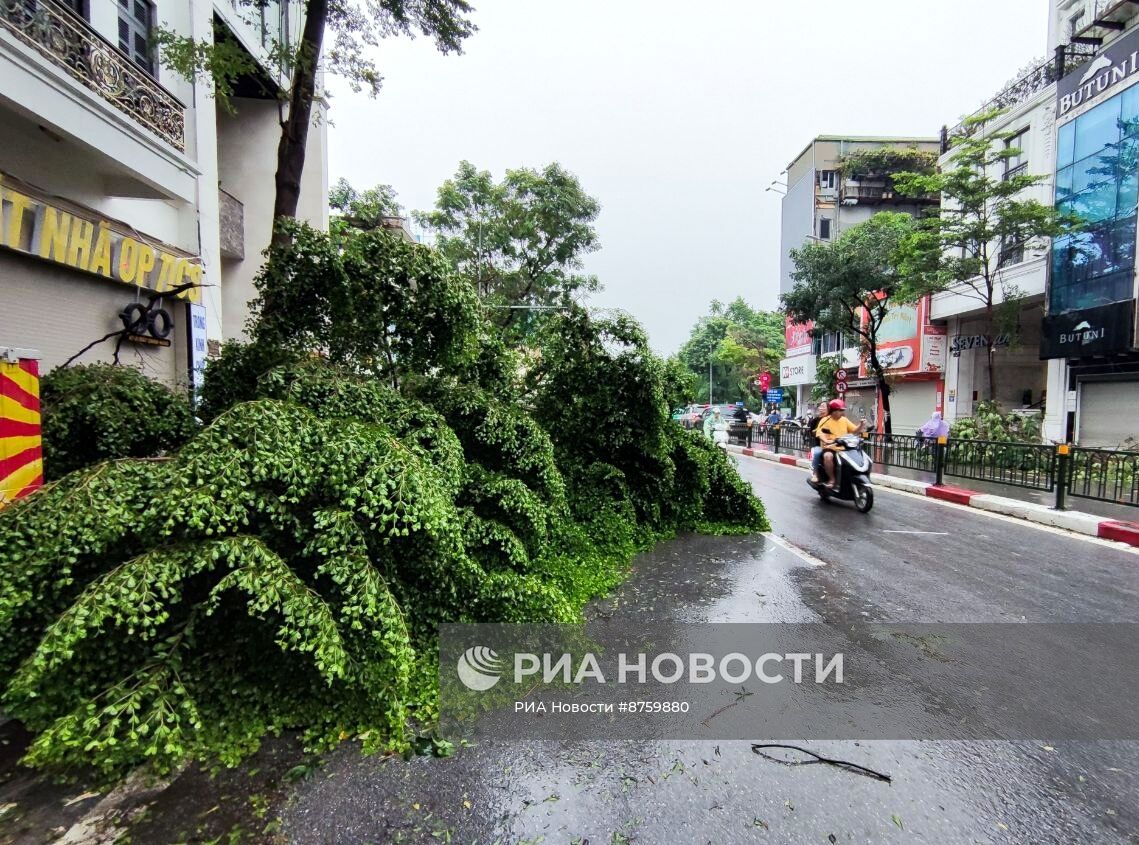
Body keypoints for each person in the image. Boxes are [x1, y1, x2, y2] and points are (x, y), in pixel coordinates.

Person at [815, 399, 868, 490]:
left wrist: (861, 425)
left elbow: (854, 431)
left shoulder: (844, 420)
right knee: (828, 456)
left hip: (844, 447)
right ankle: (832, 479)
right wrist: (826, 441)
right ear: (833, 411)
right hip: (830, 447)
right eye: (840, 410)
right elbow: (820, 433)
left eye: (842, 410)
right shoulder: (825, 420)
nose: (842, 412)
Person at [806, 400, 829, 483]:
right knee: (817, 453)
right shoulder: (815, 420)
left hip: (833, 444)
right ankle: (815, 473)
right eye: (820, 406)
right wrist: (816, 432)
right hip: (820, 444)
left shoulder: (832, 419)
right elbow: (811, 432)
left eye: (823, 406)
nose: (821, 408)